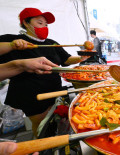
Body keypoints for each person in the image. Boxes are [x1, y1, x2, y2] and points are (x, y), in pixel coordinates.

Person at [0, 8, 89, 137]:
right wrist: (11, 45)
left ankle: (49, 141)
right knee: (40, 125)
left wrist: (81, 58)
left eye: (46, 25)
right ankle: (40, 144)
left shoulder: (51, 43)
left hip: (54, 90)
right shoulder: (15, 40)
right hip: (31, 95)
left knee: (51, 121)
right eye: (40, 23)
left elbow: (66, 59)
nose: (45, 27)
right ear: (26, 23)